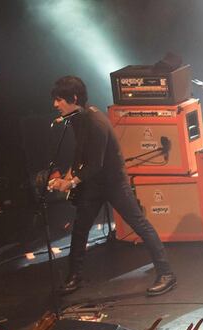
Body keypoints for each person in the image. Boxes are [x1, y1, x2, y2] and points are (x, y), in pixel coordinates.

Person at [46, 76, 176, 296]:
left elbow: (97, 163)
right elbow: (81, 155)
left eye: (59, 100)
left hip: (113, 182)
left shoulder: (96, 122)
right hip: (94, 184)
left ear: (74, 98)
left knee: (140, 224)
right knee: (79, 229)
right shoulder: (76, 118)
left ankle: (166, 274)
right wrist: (67, 176)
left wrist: (70, 183)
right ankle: (74, 276)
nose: (55, 105)